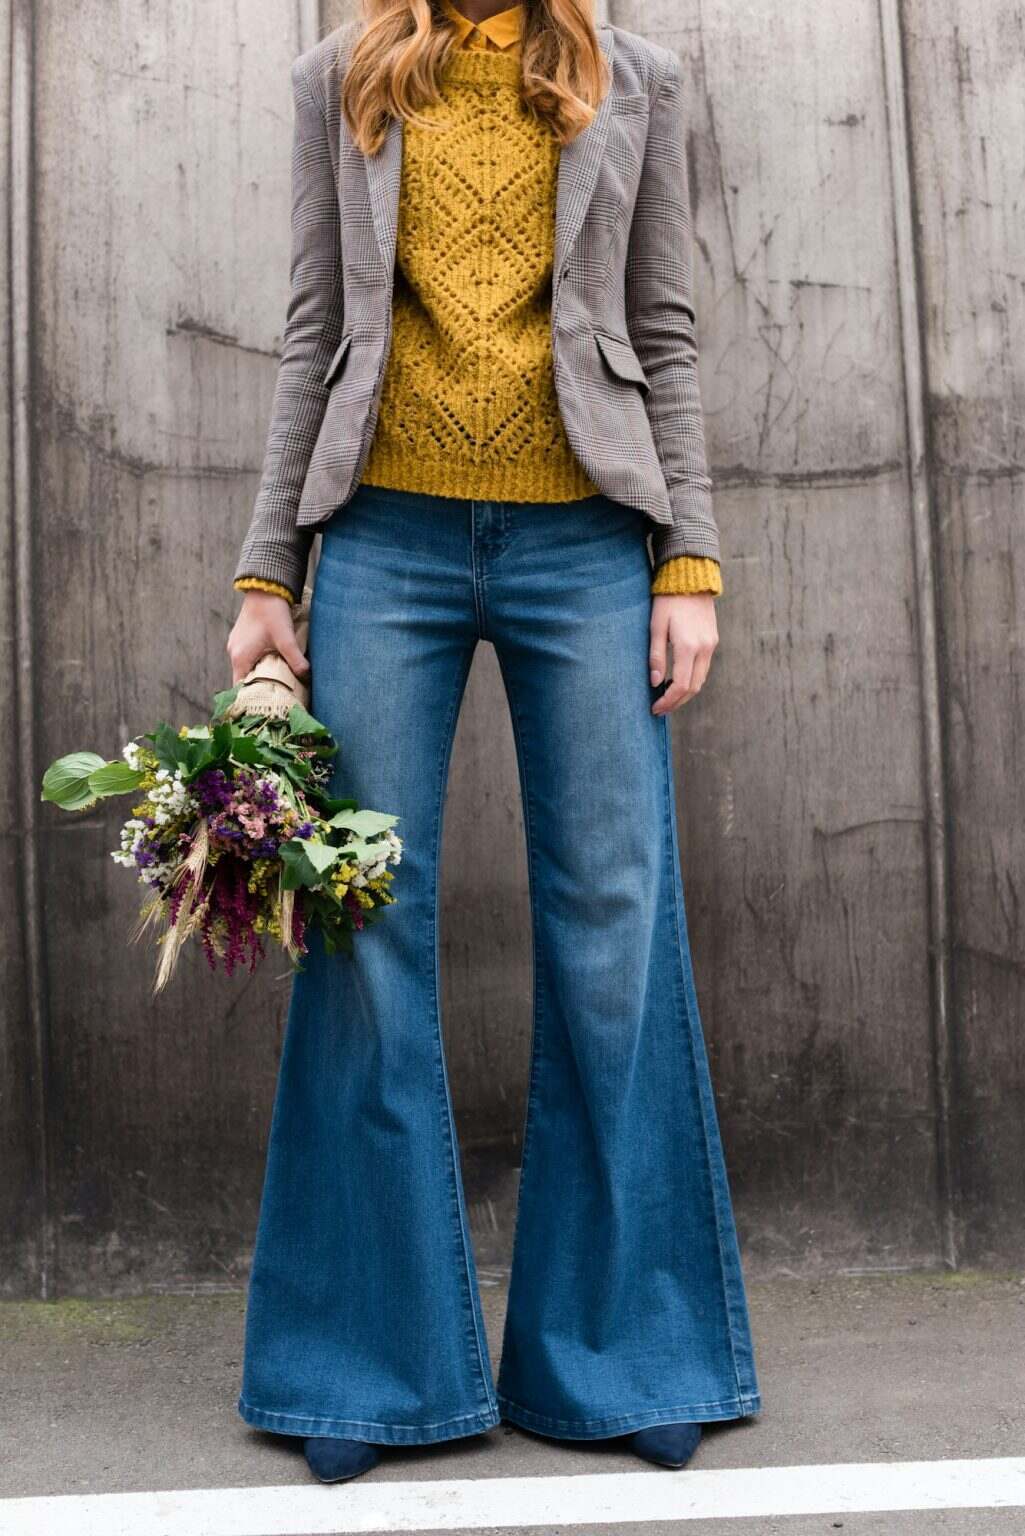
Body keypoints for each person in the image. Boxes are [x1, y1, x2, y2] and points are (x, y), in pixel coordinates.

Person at [226, 0, 762, 1486]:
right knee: (363, 922)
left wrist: (686, 561)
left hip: (584, 543)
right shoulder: (338, 75)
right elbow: (312, 333)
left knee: (611, 922)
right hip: (382, 545)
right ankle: (366, 1370)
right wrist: (269, 575)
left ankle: (624, 1356)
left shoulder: (628, 76)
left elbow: (662, 331)